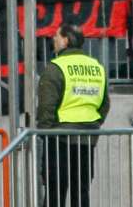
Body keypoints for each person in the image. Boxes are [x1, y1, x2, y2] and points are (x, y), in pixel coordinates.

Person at [35, 23, 107, 206]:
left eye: (57, 36)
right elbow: (104, 104)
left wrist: (45, 134)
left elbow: (46, 107)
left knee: (55, 193)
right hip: (87, 138)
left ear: (66, 40)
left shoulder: (56, 67)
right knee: (81, 191)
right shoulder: (96, 67)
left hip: (59, 137)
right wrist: (93, 124)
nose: (53, 39)